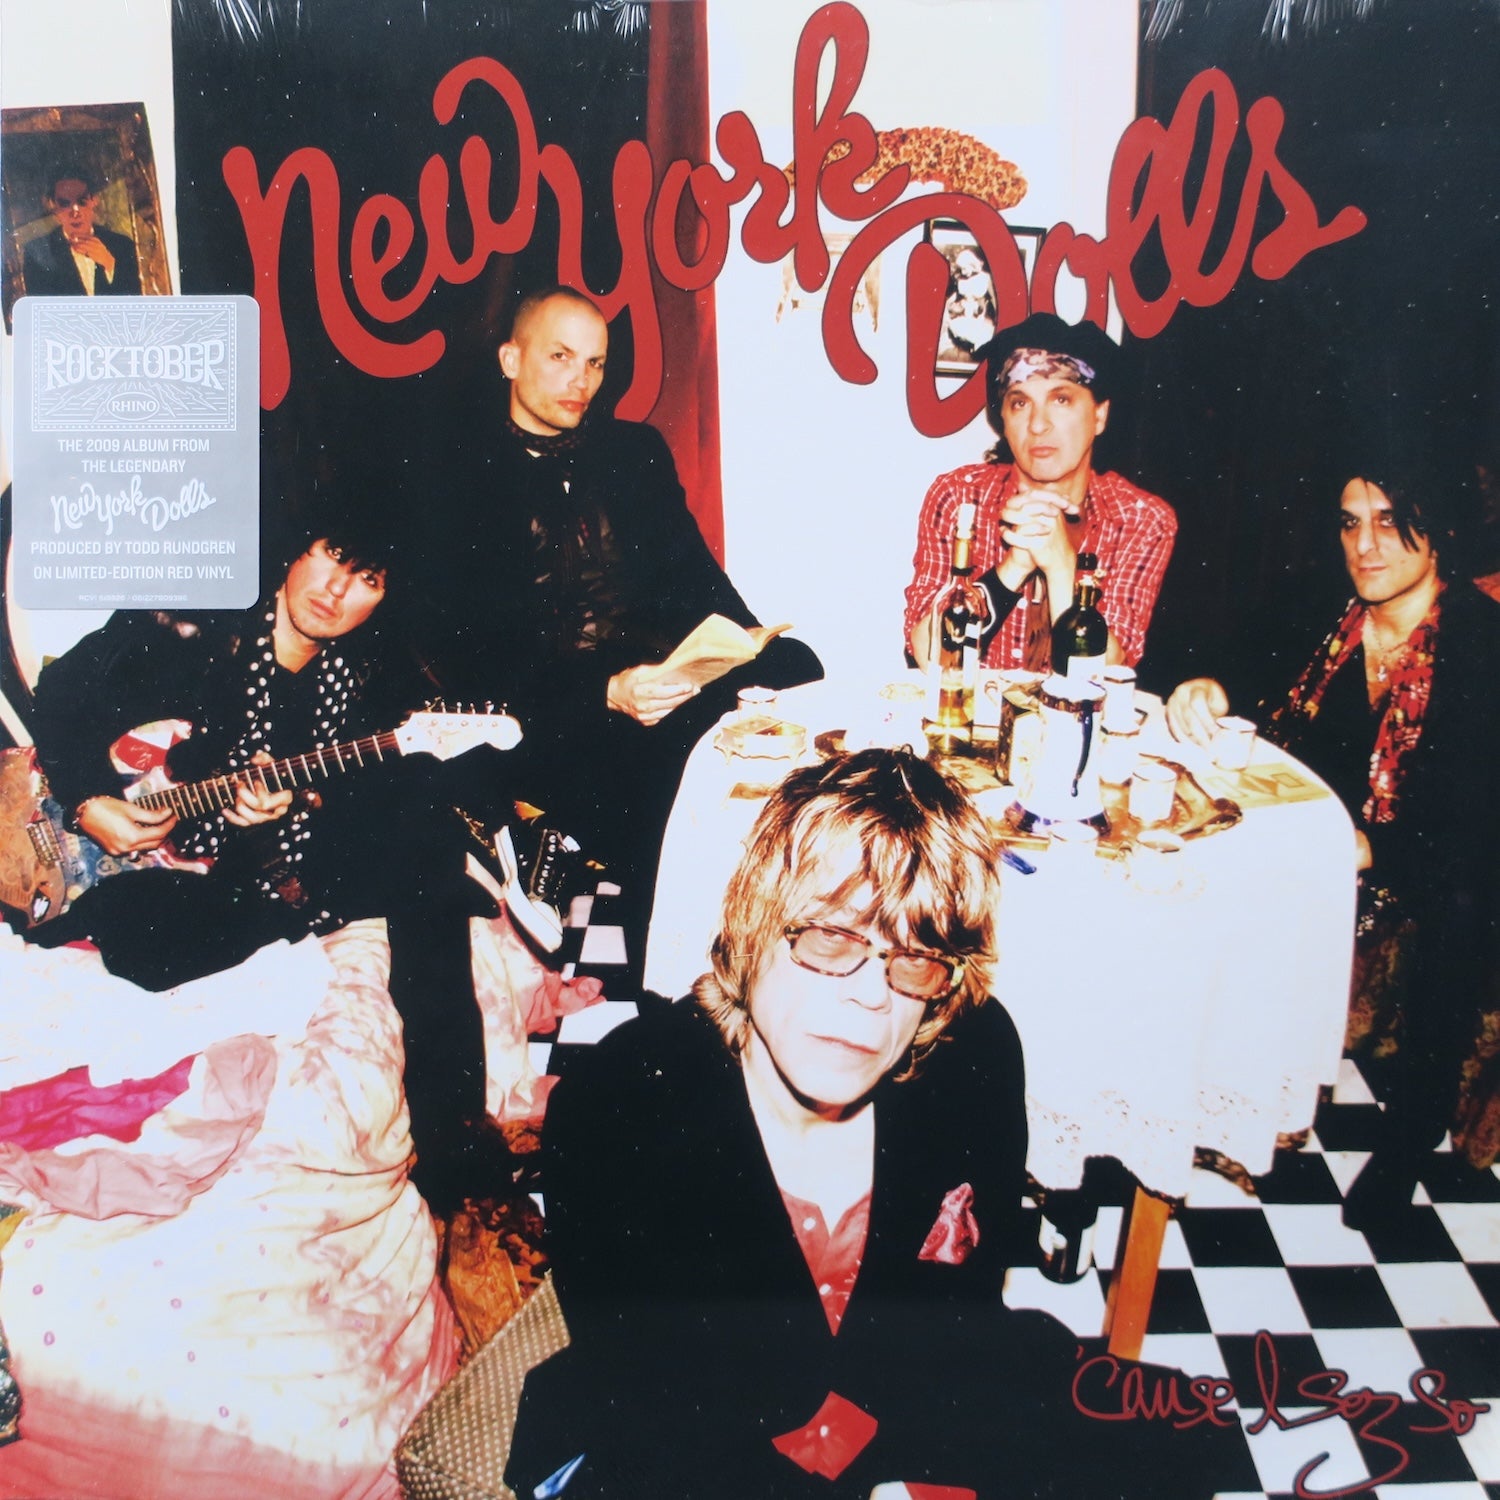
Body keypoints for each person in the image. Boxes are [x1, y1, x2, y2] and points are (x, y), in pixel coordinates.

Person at [505, 749, 1235, 1498]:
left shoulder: (974, 1057)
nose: (873, 997)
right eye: (832, 938)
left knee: (1192, 1446)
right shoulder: (623, 1103)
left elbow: (956, 1317)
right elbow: (657, 1400)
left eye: (914, 958)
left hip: (904, 1403)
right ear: (755, 928)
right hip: (693, 1451)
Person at [21, 513, 527, 1213]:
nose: (337, 590)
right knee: (156, 947)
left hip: (234, 868)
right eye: (332, 557)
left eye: (367, 579)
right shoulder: (187, 623)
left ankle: (453, 1141)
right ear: (294, 551)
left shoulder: (363, 678)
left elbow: (351, 811)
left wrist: (291, 810)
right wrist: (87, 803)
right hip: (96, 841)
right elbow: (61, 693)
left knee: (424, 864)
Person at [421, 285, 822, 973]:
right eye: (560, 357)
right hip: (538, 702)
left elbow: (693, 576)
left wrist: (746, 643)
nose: (580, 379)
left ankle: (763, 918)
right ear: (511, 359)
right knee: (663, 753)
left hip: (649, 674)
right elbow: (475, 649)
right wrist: (606, 690)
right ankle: (654, 968)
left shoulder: (631, 451)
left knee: (797, 667)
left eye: (596, 363)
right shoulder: (459, 473)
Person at [1166, 454, 1500, 1227]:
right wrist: (1209, 687)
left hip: (1425, 855)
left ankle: (1410, 1135)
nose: (1365, 545)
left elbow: (1473, 820)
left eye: (1389, 522)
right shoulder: (1326, 609)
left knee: (1459, 906)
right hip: (1313, 835)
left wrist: (1368, 847)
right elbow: (1238, 669)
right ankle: (1217, 1097)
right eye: (1351, 524)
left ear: (1440, 534)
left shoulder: (1480, 645)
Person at [905, 311, 1176, 674]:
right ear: (1003, 419)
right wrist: (1014, 566)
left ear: (1099, 415)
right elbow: (929, 657)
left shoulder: (1140, 518)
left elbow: (1105, 673)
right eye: (1020, 402)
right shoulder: (960, 497)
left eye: (1061, 399)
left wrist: (1060, 565)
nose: (1037, 424)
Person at [22, 169, 143, 298]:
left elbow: (135, 300)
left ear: (94, 200)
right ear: (53, 205)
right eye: (65, 204)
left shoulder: (123, 245)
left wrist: (109, 263)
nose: (75, 212)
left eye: (82, 201)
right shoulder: (36, 255)